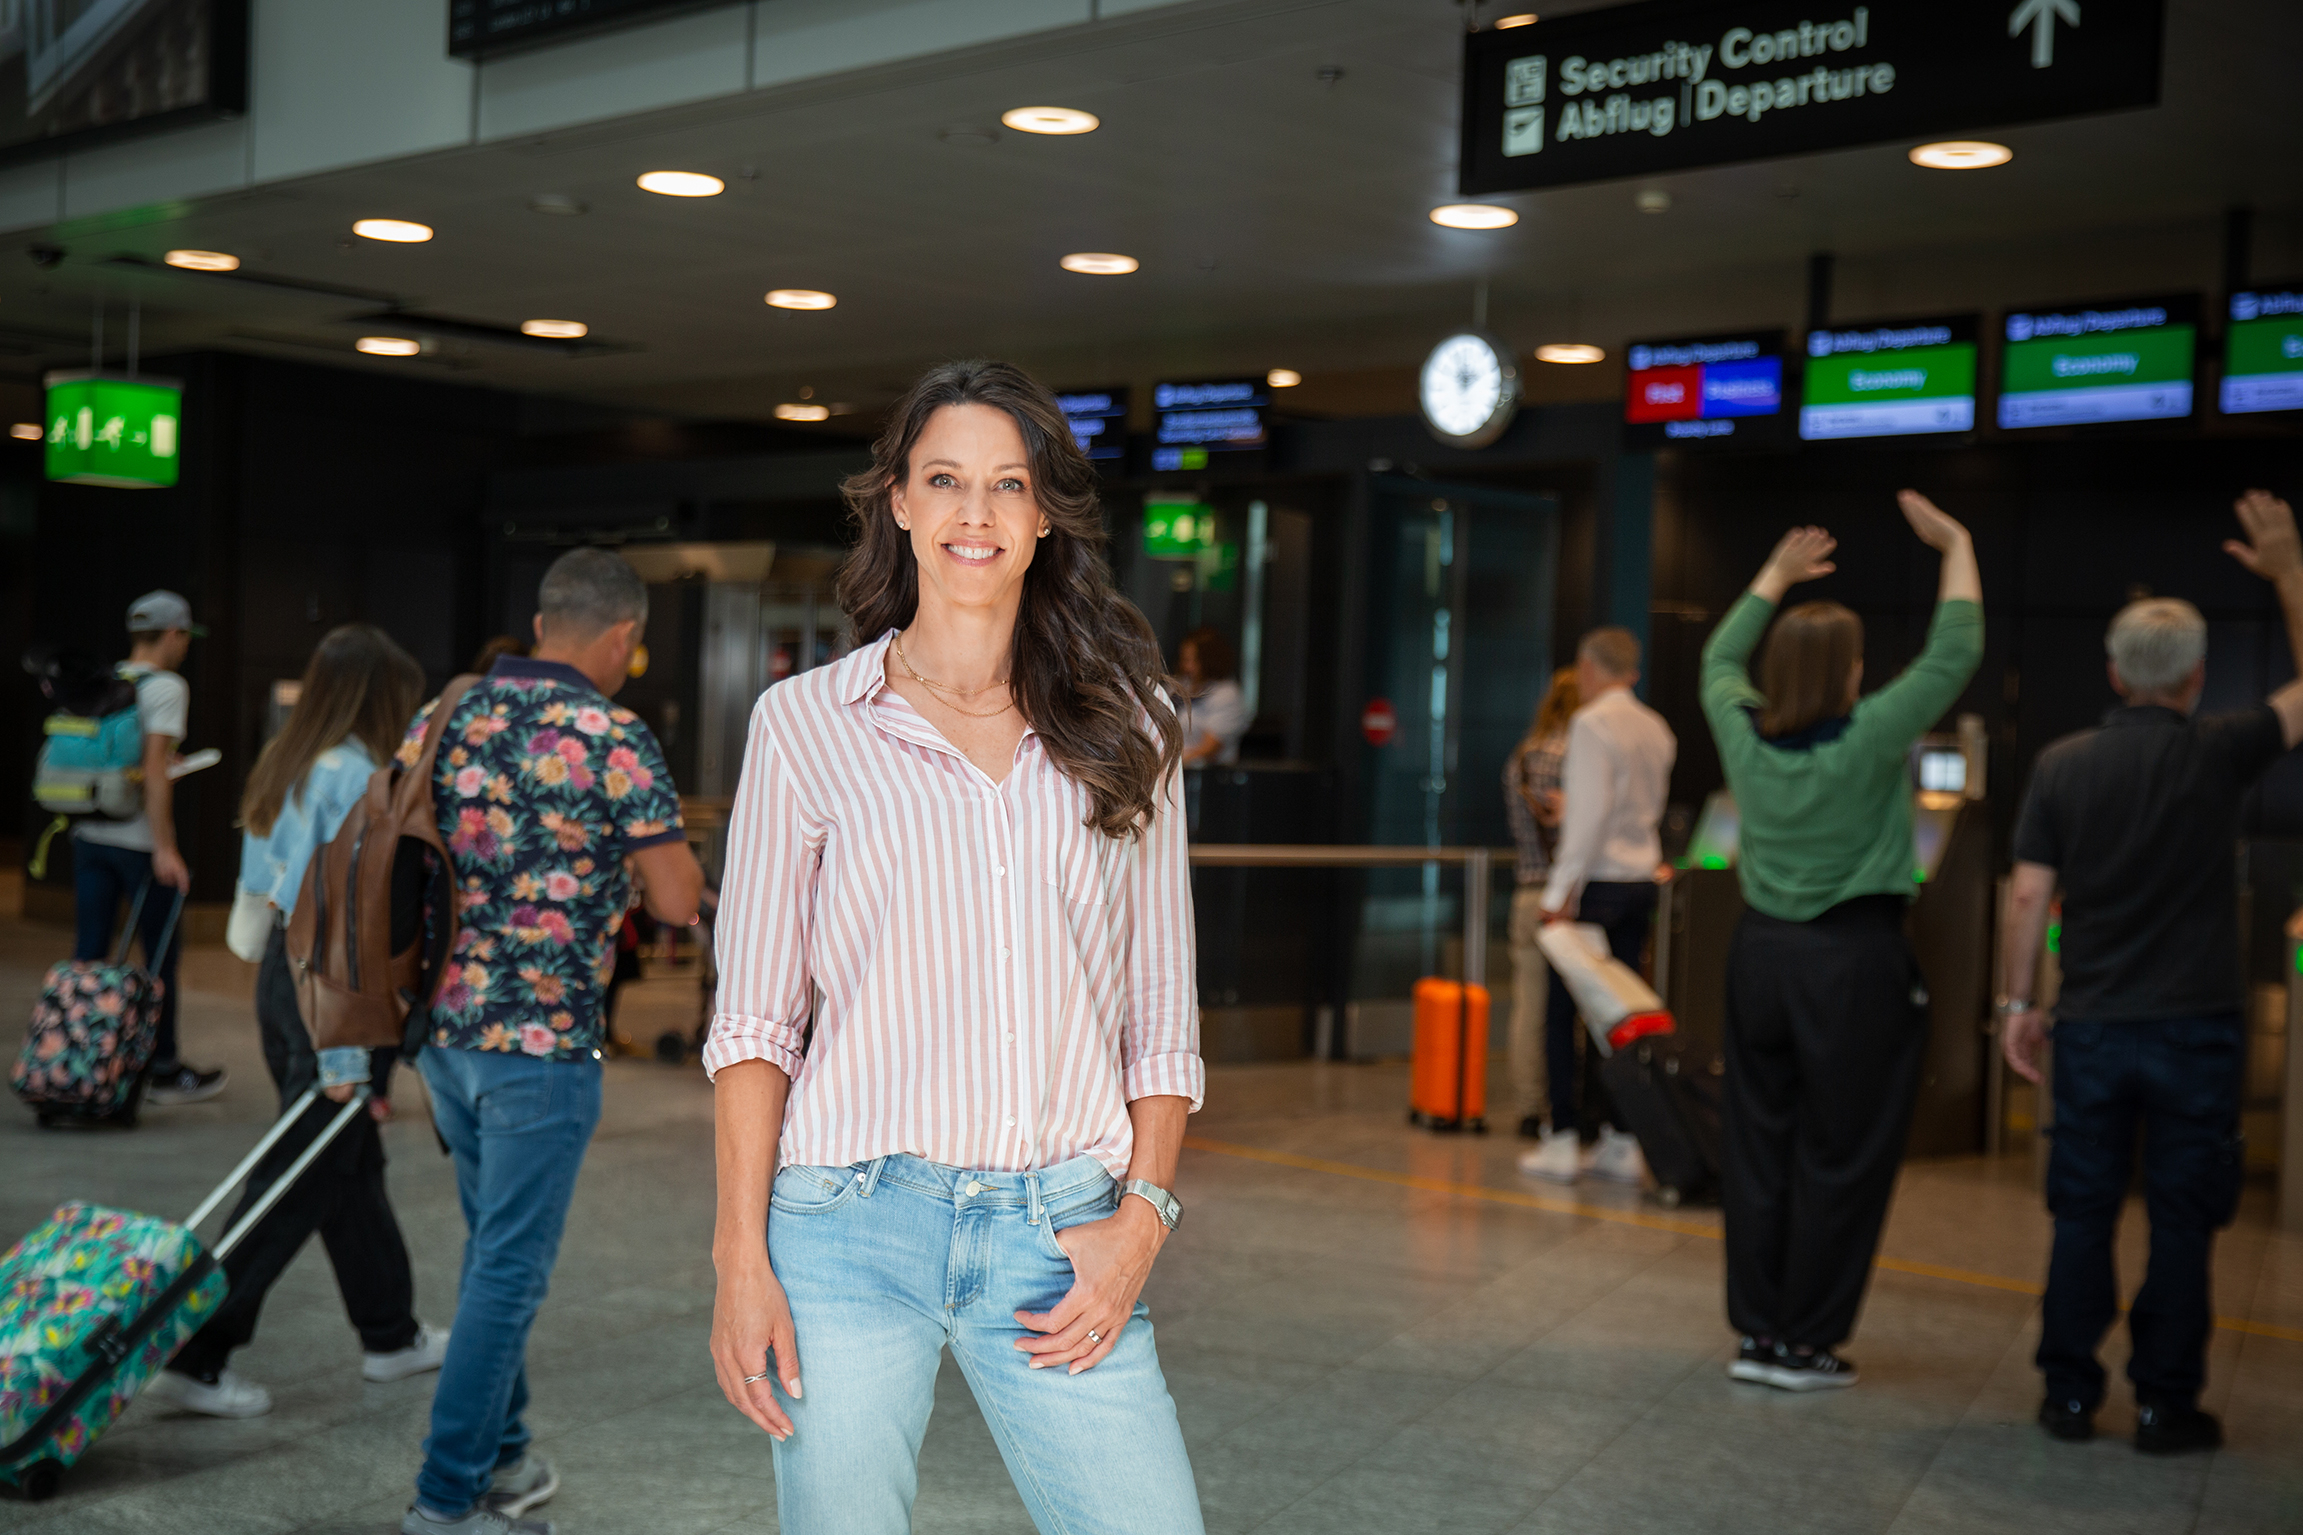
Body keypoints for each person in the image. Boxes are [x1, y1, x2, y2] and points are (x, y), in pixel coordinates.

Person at [704, 360, 1207, 1535]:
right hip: (845, 1227)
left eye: (1005, 485)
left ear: (1042, 517)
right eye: (944, 481)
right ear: (899, 502)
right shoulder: (804, 725)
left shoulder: (1131, 726)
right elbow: (755, 1023)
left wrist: (1142, 1219)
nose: (973, 513)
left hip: (1063, 1229)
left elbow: (1161, 1014)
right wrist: (740, 1256)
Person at [399, 549, 704, 1535]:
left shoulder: (444, 714)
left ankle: (505, 1455)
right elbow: (675, 898)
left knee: (492, 1251)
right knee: (508, 1270)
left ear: (540, 627)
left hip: (442, 1030)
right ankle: (446, 1501)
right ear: (620, 639)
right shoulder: (612, 736)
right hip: (541, 1045)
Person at [2001, 489, 2303, 1454]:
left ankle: (2067, 1394)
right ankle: (2167, 1403)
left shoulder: (2060, 764)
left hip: (2088, 1022)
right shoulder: (2221, 749)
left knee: (2080, 1211)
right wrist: (2290, 573)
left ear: (2112, 673)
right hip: (2198, 1027)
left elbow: (2026, 897)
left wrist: (2017, 1003)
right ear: (2198, 678)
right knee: (2182, 1217)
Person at [1699, 491, 1983, 1392]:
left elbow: (1717, 656)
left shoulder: (1743, 733)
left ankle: (1756, 1333)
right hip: (1853, 963)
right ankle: (1807, 1342)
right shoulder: (1867, 737)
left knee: (1757, 1143)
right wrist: (1958, 545)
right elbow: (1956, 650)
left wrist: (1773, 577)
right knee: (1843, 1150)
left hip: (1759, 959)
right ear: (1853, 674)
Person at [149, 625, 448, 1419]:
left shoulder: (289, 761)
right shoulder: (357, 774)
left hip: (287, 981)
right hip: (337, 991)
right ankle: (200, 1351)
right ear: (378, 699)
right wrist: (353, 1052)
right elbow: (353, 913)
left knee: (341, 1159)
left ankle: (390, 1333)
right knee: (298, 1174)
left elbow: (267, 891)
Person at [1520, 629, 1675, 1184]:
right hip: (1639, 883)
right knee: (1622, 1018)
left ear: (1588, 666)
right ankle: (1621, 1137)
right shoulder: (1656, 726)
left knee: (1563, 1014)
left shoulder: (1591, 724)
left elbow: (1586, 818)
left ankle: (1562, 1138)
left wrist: (1559, 895)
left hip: (1597, 888)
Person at [71, 590, 226, 1104]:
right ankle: (162, 1067)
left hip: (88, 835)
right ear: (174, 635)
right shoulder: (166, 687)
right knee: (160, 956)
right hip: (137, 844)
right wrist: (166, 848)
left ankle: (80, 1060)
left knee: (89, 955)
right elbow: (156, 773)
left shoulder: (107, 679)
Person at [1503, 667, 1577, 1140]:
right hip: (1564, 897)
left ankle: (1529, 1106)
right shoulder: (1575, 756)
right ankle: (1568, 1100)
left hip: (1526, 892)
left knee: (1528, 1006)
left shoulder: (1520, 758)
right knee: (1574, 1007)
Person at [1177, 625, 1247, 767]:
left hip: (1208, 775)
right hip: (1174, 769)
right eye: (1185, 660)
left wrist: (1169, 764)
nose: (1188, 667)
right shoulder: (1177, 686)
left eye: (1194, 661)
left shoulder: (1227, 694)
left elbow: (1209, 748)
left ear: (1211, 660)